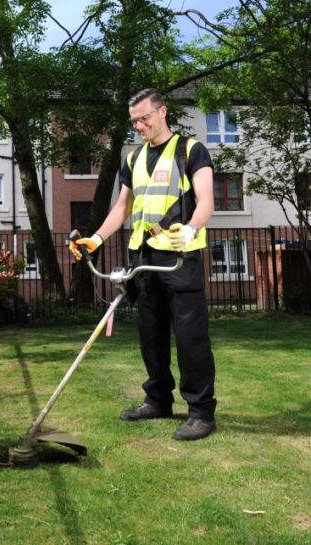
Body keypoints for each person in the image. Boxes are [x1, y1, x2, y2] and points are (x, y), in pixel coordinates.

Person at [69, 88, 217, 441]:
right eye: (134, 120)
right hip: (143, 257)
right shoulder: (132, 159)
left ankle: (200, 412)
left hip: (179, 257)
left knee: (190, 337)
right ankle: (157, 400)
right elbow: (121, 208)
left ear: (162, 111)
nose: (139, 125)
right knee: (150, 335)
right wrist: (96, 239)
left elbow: (207, 200)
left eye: (144, 117)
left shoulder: (190, 150)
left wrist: (192, 228)